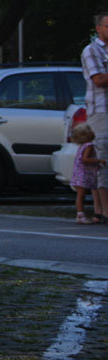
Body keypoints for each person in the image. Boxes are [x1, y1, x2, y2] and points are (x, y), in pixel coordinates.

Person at [81, 12, 108, 223]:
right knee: (103, 159)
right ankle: (103, 210)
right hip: (101, 112)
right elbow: (99, 79)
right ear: (98, 28)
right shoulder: (92, 51)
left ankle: (100, 210)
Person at [70, 123, 104, 223]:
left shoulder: (82, 146)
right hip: (83, 174)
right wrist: (98, 161)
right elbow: (85, 159)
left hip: (78, 173)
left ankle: (80, 214)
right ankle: (80, 215)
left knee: (80, 195)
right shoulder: (89, 146)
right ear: (87, 135)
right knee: (81, 195)